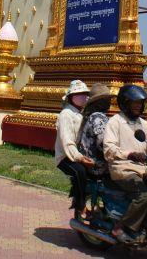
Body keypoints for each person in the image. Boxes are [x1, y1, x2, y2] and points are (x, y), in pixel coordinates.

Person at [104, 84, 147, 244]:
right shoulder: (115, 122)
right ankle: (120, 228)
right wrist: (130, 154)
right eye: (134, 103)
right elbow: (109, 149)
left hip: (142, 169)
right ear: (125, 103)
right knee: (144, 196)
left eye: (140, 103)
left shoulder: (142, 123)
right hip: (123, 169)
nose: (138, 106)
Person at [55, 79, 94, 217]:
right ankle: (81, 205)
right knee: (80, 171)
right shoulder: (66, 114)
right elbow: (67, 142)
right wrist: (80, 158)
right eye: (80, 94)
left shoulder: (80, 113)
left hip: (78, 153)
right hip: (65, 157)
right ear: (72, 97)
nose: (84, 97)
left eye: (85, 94)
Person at [77, 83, 113, 178]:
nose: (110, 102)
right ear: (99, 102)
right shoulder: (98, 117)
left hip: (89, 163)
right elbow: (103, 144)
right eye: (107, 99)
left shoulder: (90, 115)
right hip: (97, 166)